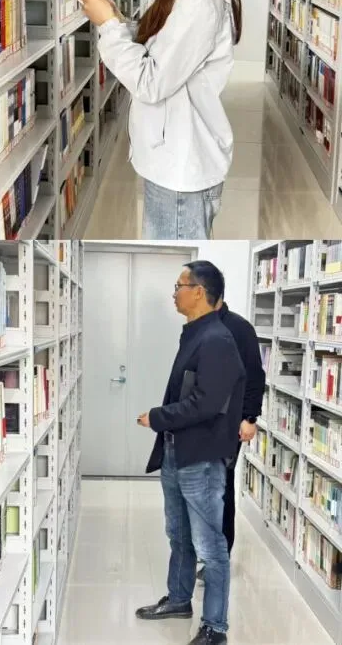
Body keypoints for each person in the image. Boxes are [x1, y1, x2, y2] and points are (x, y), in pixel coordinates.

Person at [78, 0, 243, 240]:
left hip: (181, 171)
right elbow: (162, 46)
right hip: (174, 163)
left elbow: (151, 82)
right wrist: (118, 21)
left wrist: (108, 27)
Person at [134, 260, 245, 645]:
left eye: (179, 286)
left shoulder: (217, 340)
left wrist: (157, 417)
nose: (174, 293)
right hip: (177, 452)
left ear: (199, 291)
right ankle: (179, 599)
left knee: (210, 547)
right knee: (179, 535)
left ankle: (215, 627)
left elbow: (206, 404)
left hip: (201, 459)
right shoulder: (196, 334)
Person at [193, 293, 264, 581]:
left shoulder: (240, 328)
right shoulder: (199, 325)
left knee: (221, 488)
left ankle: (218, 558)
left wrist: (250, 417)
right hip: (200, 420)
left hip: (228, 424)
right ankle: (204, 550)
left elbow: (255, 376)